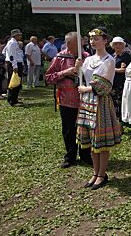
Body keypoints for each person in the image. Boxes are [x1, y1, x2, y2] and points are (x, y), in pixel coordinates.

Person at [77, 27, 121, 190]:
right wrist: (78, 68)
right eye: (91, 39)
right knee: (91, 139)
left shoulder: (109, 60)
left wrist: (87, 89)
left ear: (105, 40)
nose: (93, 41)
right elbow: (82, 78)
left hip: (100, 101)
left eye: (96, 38)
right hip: (87, 101)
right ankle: (95, 173)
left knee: (101, 140)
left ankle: (102, 174)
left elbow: (104, 84)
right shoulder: (87, 59)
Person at [45, 32, 92, 168]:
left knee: (85, 128)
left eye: (82, 42)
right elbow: (48, 78)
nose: (82, 44)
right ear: (69, 43)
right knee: (69, 129)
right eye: (78, 42)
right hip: (66, 100)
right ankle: (70, 156)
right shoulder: (60, 58)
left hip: (84, 99)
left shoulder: (86, 57)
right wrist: (66, 72)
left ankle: (85, 154)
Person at [110, 37, 131, 122]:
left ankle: (119, 124)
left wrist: (113, 69)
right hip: (111, 82)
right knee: (112, 103)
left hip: (120, 82)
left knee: (119, 103)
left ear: (123, 45)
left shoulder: (126, 56)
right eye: (116, 44)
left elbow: (124, 70)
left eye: (120, 44)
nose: (118, 46)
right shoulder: (111, 56)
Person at [3, 29, 24, 106]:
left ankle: (15, 98)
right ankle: (12, 100)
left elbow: (4, 52)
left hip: (16, 63)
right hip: (15, 64)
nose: (21, 36)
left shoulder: (13, 43)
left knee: (17, 82)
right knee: (14, 82)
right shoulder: (12, 43)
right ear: (15, 35)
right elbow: (12, 56)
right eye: (19, 35)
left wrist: (7, 58)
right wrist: (14, 65)